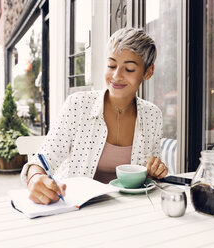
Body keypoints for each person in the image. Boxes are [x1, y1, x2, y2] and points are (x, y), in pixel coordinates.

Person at [21, 27, 168, 205]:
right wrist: (35, 177)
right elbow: (41, 160)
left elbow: (150, 173)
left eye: (129, 69)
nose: (116, 76)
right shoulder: (78, 105)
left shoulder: (152, 115)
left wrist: (155, 171)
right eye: (111, 65)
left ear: (148, 72)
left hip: (129, 209)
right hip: (76, 206)